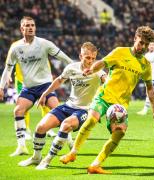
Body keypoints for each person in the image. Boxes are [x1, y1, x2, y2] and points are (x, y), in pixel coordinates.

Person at [60, 26, 154, 174]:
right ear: (135, 39)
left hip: (120, 105)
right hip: (104, 96)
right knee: (91, 120)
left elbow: (150, 89)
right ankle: (73, 153)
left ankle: (95, 164)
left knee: (120, 133)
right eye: (141, 42)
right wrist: (92, 70)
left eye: (146, 44)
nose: (143, 47)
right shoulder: (120, 52)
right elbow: (103, 63)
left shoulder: (146, 65)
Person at [18, 42, 106, 170]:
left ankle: (47, 160)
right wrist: (44, 94)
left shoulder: (98, 71)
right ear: (81, 56)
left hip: (86, 110)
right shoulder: (72, 68)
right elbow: (59, 80)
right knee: (40, 127)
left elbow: (106, 79)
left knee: (66, 125)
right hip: (68, 106)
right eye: (88, 58)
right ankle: (36, 158)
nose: (91, 61)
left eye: (93, 58)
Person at [0, 16, 73, 157]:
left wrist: (76, 68)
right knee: (18, 110)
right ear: (22, 29)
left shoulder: (44, 43)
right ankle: (21, 147)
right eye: (27, 25)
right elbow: (7, 69)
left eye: (32, 25)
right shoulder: (16, 48)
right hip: (28, 88)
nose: (30, 27)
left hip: (45, 86)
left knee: (58, 111)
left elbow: (63, 57)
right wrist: (1, 87)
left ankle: (70, 141)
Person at [15, 63, 57, 139]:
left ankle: (48, 128)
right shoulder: (14, 50)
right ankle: (25, 130)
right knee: (23, 107)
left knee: (46, 105)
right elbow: (10, 62)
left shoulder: (41, 51)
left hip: (41, 81)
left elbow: (46, 65)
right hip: (22, 82)